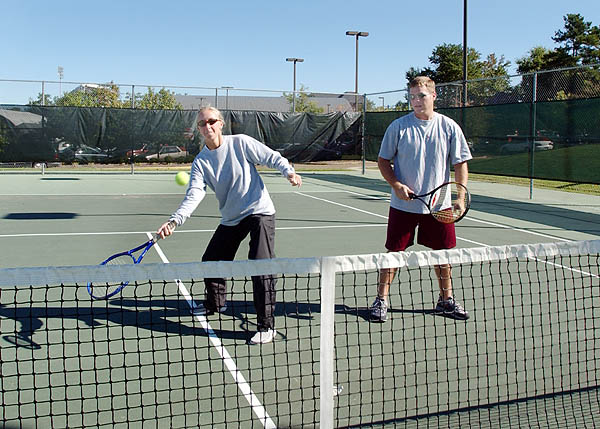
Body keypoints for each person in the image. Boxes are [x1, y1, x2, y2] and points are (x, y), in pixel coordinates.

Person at [157, 106, 302, 344]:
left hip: (259, 211)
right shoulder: (201, 162)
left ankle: (267, 326)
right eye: (202, 124)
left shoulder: (241, 143)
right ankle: (215, 305)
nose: (208, 127)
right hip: (232, 217)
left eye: (212, 121)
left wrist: (289, 172)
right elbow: (194, 194)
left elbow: (271, 157)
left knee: (260, 264)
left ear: (221, 123)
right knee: (212, 260)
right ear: (199, 129)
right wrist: (175, 220)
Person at [370, 76, 472, 322]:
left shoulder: (449, 127)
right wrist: (395, 185)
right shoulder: (398, 127)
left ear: (434, 96)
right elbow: (383, 160)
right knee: (393, 252)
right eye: (412, 96)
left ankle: (446, 300)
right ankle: (381, 299)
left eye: (421, 96)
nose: (416, 101)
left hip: (441, 205)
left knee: (444, 254)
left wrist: (460, 195)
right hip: (403, 204)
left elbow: (460, 163)